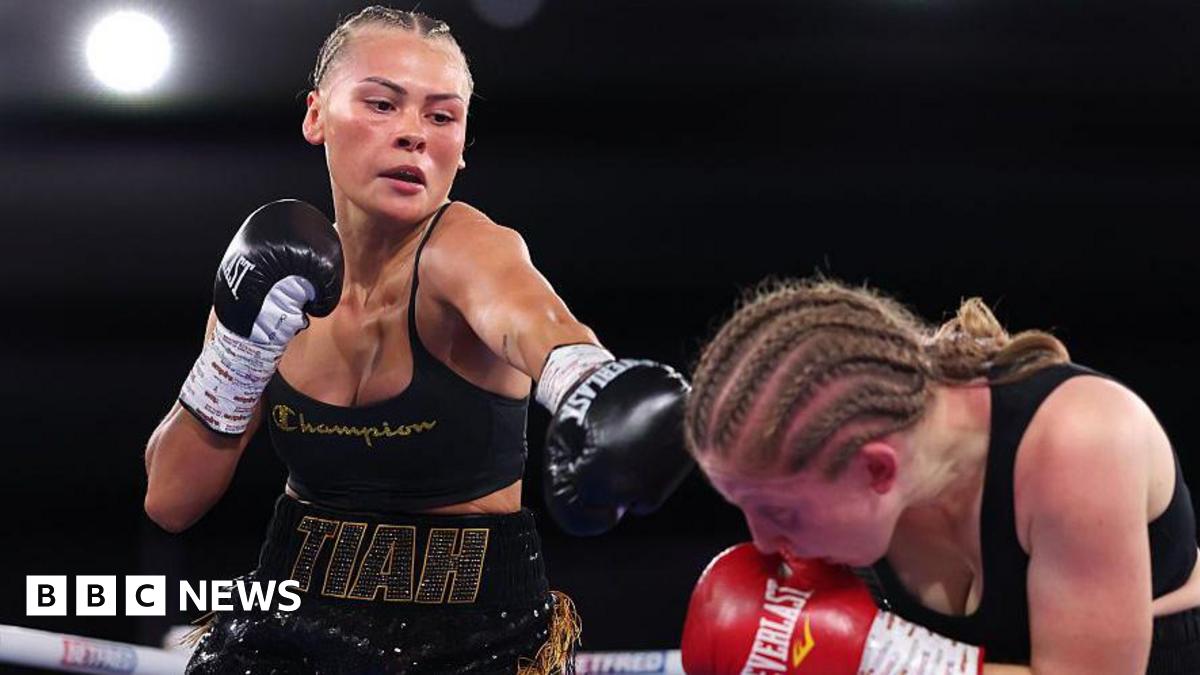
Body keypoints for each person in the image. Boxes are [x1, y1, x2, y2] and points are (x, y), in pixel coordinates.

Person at [142, 7, 692, 674]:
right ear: (317, 116)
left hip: (470, 638)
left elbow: (537, 326)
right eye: (381, 103)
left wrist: (592, 386)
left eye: (441, 116)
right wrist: (238, 355)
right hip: (289, 616)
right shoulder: (272, 278)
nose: (412, 134)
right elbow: (171, 501)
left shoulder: (467, 249)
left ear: (462, 147)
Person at [679, 278, 1200, 674]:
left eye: (780, 512)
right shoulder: (864, 449)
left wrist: (878, 657)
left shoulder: (1081, 443)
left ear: (878, 468)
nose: (763, 541)